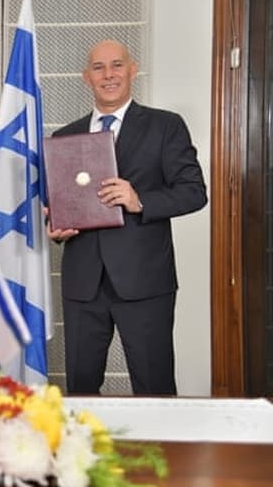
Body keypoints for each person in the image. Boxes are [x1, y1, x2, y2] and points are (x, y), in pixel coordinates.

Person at [47, 40, 207, 395]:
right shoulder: (64, 137)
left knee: (155, 388)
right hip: (82, 285)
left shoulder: (165, 126)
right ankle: (84, 453)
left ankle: (164, 451)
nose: (109, 75)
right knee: (80, 392)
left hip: (145, 283)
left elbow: (194, 192)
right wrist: (55, 228)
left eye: (117, 65)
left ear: (133, 69)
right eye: (99, 68)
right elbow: (57, 205)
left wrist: (140, 201)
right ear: (85, 77)